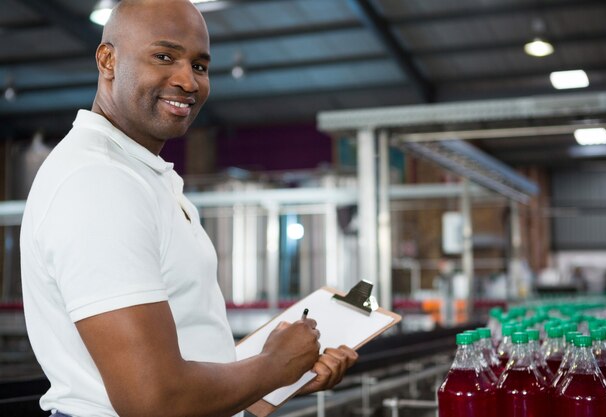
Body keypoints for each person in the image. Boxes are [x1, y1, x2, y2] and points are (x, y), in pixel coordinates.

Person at [19, 1, 357, 416]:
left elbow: (184, 356)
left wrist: (279, 375)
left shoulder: (142, 174)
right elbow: (153, 401)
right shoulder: (98, 180)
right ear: (108, 59)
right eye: (164, 57)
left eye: (199, 66)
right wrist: (271, 367)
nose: (187, 80)